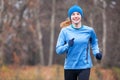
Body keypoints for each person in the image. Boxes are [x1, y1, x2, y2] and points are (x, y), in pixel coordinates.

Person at [56, 4, 102, 80]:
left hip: (84, 66)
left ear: (81, 16)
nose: (76, 16)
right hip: (69, 67)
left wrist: (96, 53)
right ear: (70, 17)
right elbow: (58, 50)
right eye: (73, 14)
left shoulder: (89, 31)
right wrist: (67, 45)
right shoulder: (65, 31)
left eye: (78, 14)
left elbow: (94, 43)